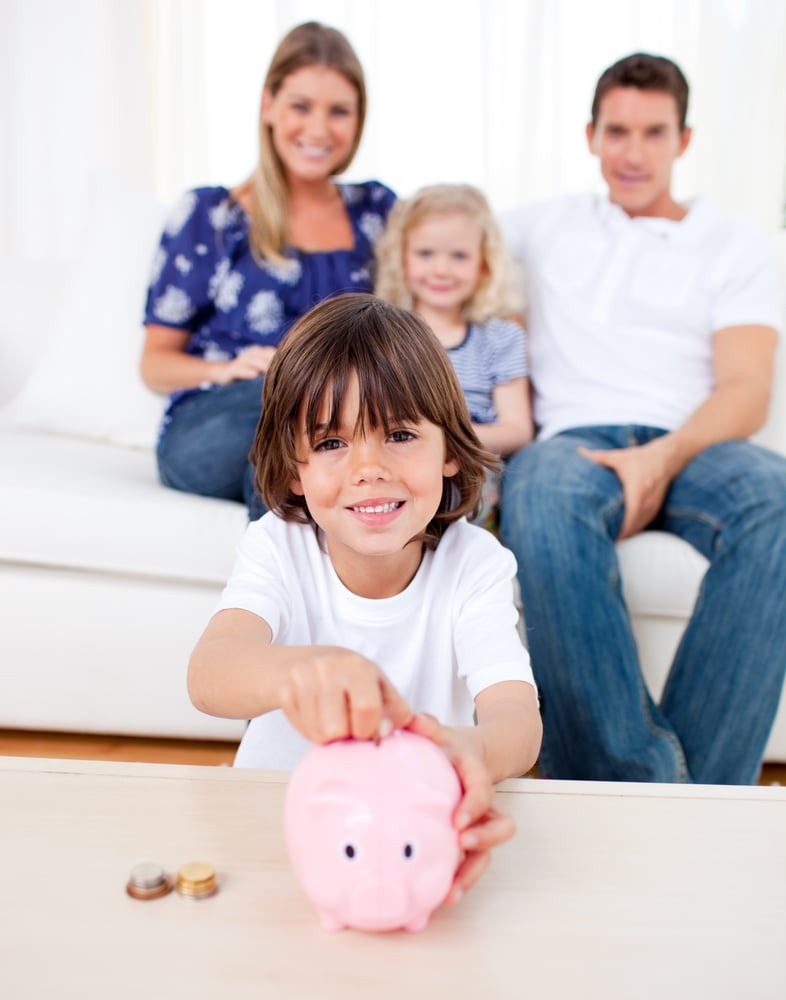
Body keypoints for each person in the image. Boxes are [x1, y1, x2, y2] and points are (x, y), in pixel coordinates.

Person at [188, 293, 542, 899]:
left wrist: (472, 750)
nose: (368, 468)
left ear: (450, 452)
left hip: (402, 843)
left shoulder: (474, 564)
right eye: (331, 444)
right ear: (294, 469)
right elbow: (209, 675)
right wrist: (305, 669)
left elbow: (518, 720)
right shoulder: (278, 547)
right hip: (275, 831)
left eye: (400, 434)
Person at [500, 52, 786, 784]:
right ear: (590, 135)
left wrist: (660, 458)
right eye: (617, 131)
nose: (633, 153)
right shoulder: (539, 226)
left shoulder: (735, 244)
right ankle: (635, 781)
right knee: (538, 495)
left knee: (777, 498)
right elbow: (428, 240)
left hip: (693, 440)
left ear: (683, 140)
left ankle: (698, 797)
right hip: (573, 443)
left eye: (653, 133)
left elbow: (748, 392)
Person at [140, 22, 396, 518]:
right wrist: (222, 369)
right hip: (220, 418)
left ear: (359, 119)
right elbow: (154, 362)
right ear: (268, 106)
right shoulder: (211, 216)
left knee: (288, 462)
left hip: (337, 428)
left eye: (338, 111)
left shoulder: (378, 213)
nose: (318, 129)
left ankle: (287, 595)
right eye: (301, 106)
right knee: (291, 396)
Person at [375, 184, 533, 528]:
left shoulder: (500, 337)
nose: (441, 270)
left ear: (484, 265)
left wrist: (445, 439)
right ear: (402, 257)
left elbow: (518, 429)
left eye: (459, 256)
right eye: (426, 254)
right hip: (395, 463)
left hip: (468, 468)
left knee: (458, 486)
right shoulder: (382, 333)